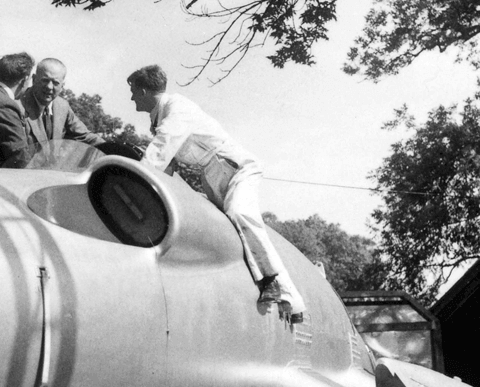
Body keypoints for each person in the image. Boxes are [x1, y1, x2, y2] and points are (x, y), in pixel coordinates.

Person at [126, 64, 304, 321]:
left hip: (237, 170)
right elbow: (168, 166)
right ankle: (294, 304)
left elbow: (161, 150)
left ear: (143, 91)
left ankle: (272, 281)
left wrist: (133, 182)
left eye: (133, 91)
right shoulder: (159, 117)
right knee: (226, 226)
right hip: (211, 177)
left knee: (240, 213)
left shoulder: (177, 109)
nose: (132, 97)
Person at [19, 58, 103, 148]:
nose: (49, 87)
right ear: (34, 79)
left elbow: (85, 136)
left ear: (62, 86)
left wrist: (110, 148)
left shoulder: (62, 106)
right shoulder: (18, 106)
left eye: (55, 83)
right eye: (45, 80)